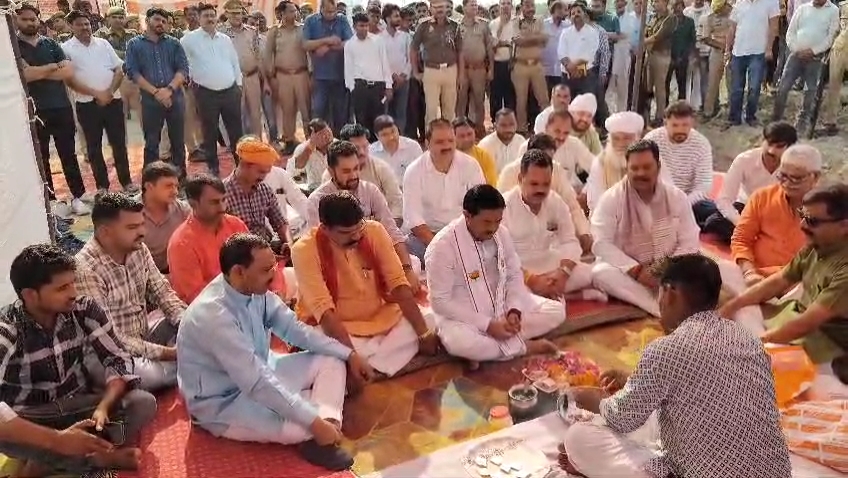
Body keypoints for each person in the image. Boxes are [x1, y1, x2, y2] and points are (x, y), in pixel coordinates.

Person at [561, 254, 792, 478]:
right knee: (656, 418)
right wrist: (633, 381)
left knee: (580, 436)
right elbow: (704, 388)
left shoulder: (666, 349)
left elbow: (622, 418)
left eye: (659, 293)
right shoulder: (749, 339)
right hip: (775, 473)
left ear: (670, 293)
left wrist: (590, 398)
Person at [178, 233, 364, 471]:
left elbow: (296, 331)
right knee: (304, 425)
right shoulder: (213, 316)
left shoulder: (254, 291)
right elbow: (257, 382)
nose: (274, 275)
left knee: (334, 359)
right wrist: (314, 423)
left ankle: (324, 431)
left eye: (273, 267)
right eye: (266, 270)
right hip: (224, 403)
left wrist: (349, 354)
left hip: (264, 369)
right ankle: (318, 430)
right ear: (239, 272)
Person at [0, 244, 157, 475]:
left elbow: (117, 359)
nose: (73, 292)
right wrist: (58, 440)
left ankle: (45, 463)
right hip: (31, 416)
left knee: (142, 403)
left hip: (78, 404)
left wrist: (104, 407)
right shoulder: (7, 330)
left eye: (73, 283)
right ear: (30, 295)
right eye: (62, 287)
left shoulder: (84, 309)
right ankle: (96, 457)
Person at [590, 139, 758, 324]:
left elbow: (689, 239)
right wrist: (637, 271)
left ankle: (755, 329)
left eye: (646, 167)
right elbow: (601, 243)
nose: (641, 173)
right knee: (601, 273)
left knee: (731, 271)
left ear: (658, 167)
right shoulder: (611, 199)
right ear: (627, 169)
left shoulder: (676, 197)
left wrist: (668, 269)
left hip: (675, 267)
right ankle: (665, 312)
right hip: (633, 272)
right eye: (634, 168)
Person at [292, 192, 439, 381]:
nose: (356, 236)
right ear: (325, 228)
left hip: (381, 316)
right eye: (346, 233)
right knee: (319, 342)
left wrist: (423, 334)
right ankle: (371, 360)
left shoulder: (374, 231)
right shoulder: (304, 250)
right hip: (338, 326)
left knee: (432, 320)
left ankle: (369, 362)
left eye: (358, 228)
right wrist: (351, 355)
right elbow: (324, 311)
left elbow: (398, 284)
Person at [426, 185, 561, 364]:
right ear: (467, 216)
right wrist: (488, 325)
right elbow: (440, 302)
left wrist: (514, 310)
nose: (493, 228)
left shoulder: (501, 233)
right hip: (464, 314)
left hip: (500, 304)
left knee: (556, 311)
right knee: (460, 343)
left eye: (498, 221)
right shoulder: (442, 248)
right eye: (487, 222)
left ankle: (491, 349)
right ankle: (524, 347)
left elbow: (514, 274)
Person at [722, 183, 848, 368]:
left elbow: (806, 324)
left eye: (812, 221)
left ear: (844, 226)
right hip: (794, 315)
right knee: (724, 275)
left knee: (747, 363)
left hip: (826, 343)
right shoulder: (817, 244)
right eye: (802, 215)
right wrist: (732, 306)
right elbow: (780, 280)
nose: (802, 225)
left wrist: (752, 345)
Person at [75, 193, 185, 392]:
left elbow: (163, 292)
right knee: (149, 377)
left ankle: (183, 363)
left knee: (192, 322)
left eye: (142, 224)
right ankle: (187, 365)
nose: (142, 232)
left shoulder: (138, 248)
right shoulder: (86, 269)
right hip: (107, 356)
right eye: (132, 227)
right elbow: (112, 338)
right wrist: (171, 353)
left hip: (143, 337)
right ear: (106, 232)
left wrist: (186, 323)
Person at [307, 140, 421, 287]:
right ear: (331, 171)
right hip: (339, 265)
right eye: (346, 171)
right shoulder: (317, 201)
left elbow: (392, 232)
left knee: (414, 264)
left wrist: (407, 269)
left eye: (356, 168)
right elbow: (320, 247)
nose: (354, 175)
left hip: (374, 258)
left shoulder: (370, 191)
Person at [503, 150, 607, 302]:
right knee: (513, 293)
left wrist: (563, 272)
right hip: (520, 272)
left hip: (550, 266)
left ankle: (550, 295)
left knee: (594, 273)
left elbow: (569, 241)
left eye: (546, 184)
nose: (540, 190)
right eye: (534, 184)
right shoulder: (504, 206)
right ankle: (572, 296)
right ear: (520, 179)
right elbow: (501, 255)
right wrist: (532, 280)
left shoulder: (555, 201)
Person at [17, 3, 90, 216]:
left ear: (39, 20)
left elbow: (68, 72)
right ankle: (50, 201)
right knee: (41, 158)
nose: (30, 23)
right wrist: (51, 67)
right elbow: (25, 76)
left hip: (61, 107)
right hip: (34, 112)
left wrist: (37, 71)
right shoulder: (13, 46)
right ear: (16, 21)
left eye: (33, 19)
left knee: (68, 154)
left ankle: (78, 196)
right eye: (25, 19)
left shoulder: (50, 44)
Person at [62, 10, 136, 195]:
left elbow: (119, 69)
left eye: (87, 24)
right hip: (87, 104)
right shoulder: (65, 48)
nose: (85, 27)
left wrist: (109, 92)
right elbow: (69, 80)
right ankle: (102, 186)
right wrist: (96, 94)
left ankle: (126, 182)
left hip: (113, 100)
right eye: (79, 24)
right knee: (94, 147)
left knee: (119, 143)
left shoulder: (103, 44)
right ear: (70, 26)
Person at [730, 144, 822, 284]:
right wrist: (749, 272)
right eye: (783, 176)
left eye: (796, 178)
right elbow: (741, 239)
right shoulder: (762, 197)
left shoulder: (829, 211)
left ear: (815, 177)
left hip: (799, 284)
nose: (787, 183)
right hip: (754, 277)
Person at [402, 119, 486, 260]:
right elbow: (414, 219)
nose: (447, 146)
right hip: (427, 236)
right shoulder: (414, 171)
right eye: (440, 142)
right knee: (407, 250)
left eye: (450, 141)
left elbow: (481, 206)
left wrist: (464, 242)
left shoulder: (470, 165)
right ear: (427, 144)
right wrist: (440, 247)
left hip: (464, 234)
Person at [500, 132, 593, 256]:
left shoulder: (556, 170)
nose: (546, 162)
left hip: (551, 242)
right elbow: (502, 212)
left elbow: (572, 205)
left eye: (550, 158)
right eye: (534, 183)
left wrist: (584, 232)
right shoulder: (510, 173)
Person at [706, 121, 797, 243]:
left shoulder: (795, 166)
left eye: (779, 146)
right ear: (762, 140)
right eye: (769, 143)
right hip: (745, 208)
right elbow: (724, 199)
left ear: (790, 148)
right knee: (714, 222)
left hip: (774, 215)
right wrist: (742, 224)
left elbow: (798, 203)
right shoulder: (745, 160)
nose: (771, 150)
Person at [181, 2, 244, 176]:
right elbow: (183, 63)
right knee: (209, 132)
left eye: (212, 15)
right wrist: (191, 79)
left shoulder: (225, 39)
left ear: (216, 17)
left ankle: (241, 165)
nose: (210, 18)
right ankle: (213, 168)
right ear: (199, 18)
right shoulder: (188, 40)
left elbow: (234, 62)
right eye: (206, 16)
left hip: (230, 91)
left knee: (236, 131)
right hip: (205, 92)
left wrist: (238, 84)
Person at [124, 7, 189, 174]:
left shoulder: (174, 43)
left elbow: (183, 69)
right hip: (149, 100)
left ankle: (180, 178)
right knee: (152, 143)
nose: (161, 23)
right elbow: (132, 72)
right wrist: (156, 92)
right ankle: (151, 179)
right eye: (157, 20)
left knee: (178, 141)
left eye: (164, 21)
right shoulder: (134, 44)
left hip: (175, 98)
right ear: (147, 21)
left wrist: (168, 90)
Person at [642, 101, 714, 230]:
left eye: (685, 125)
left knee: (713, 212)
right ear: (665, 123)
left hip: (688, 202)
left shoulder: (702, 144)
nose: (680, 130)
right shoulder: (652, 140)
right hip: (656, 199)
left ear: (692, 123)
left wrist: (682, 204)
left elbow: (703, 186)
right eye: (675, 125)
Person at [771, 0, 839, 132]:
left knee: (810, 91)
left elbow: (831, 37)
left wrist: (813, 51)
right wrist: (796, 49)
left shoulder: (833, 11)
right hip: (795, 55)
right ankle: (776, 119)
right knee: (783, 87)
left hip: (815, 58)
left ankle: (802, 122)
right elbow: (790, 32)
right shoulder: (802, 9)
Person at [224, 138, 291, 250]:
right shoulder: (222, 194)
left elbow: (280, 223)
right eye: (260, 172)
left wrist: (289, 243)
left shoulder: (264, 190)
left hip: (265, 246)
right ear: (244, 164)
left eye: (266, 173)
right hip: (239, 252)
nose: (263, 177)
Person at [327, 123, 403, 220]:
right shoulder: (332, 174)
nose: (362, 152)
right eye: (357, 148)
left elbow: (396, 203)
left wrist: (387, 226)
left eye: (365, 146)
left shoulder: (381, 168)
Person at [265, 0, 311, 153]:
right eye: (291, 11)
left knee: (306, 109)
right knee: (287, 110)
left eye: (295, 11)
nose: (295, 13)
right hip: (282, 76)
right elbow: (268, 55)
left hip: (302, 74)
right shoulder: (274, 32)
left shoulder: (303, 29)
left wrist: (311, 74)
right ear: (282, 13)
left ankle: (310, 140)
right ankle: (289, 141)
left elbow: (309, 53)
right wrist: (271, 77)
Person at [725, 0, 780, 127]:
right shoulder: (739, 4)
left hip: (758, 52)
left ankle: (750, 116)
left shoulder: (770, 3)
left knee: (754, 88)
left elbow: (774, 27)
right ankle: (734, 117)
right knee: (736, 88)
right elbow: (732, 28)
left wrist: (769, 48)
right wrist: (727, 50)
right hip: (738, 52)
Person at [303, 0, 353, 134]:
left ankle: (339, 141)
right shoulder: (311, 21)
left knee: (340, 114)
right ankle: (318, 140)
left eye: (334, 11)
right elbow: (305, 44)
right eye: (328, 12)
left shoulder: (342, 20)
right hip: (319, 76)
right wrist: (327, 41)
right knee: (319, 112)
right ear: (321, 9)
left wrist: (329, 47)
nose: (332, 14)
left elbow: (350, 42)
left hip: (340, 75)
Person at [410, 0, 463, 123]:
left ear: (446, 8)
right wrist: (416, 72)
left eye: (442, 7)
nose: (439, 10)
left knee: (449, 109)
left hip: (450, 70)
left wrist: (461, 74)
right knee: (431, 110)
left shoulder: (455, 26)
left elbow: (460, 51)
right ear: (431, 8)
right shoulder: (423, 26)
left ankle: (449, 134)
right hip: (431, 70)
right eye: (436, 7)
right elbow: (413, 49)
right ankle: (431, 134)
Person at [585, 111, 644, 211]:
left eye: (626, 138)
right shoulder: (600, 162)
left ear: (637, 139)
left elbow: (663, 195)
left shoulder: (650, 159)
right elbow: (595, 201)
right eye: (616, 138)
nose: (621, 143)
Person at [345, 12, 393, 136]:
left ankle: (380, 145)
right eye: (361, 26)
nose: (364, 29)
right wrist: (352, 88)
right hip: (360, 86)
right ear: (354, 26)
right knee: (362, 121)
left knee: (379, 121)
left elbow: (385, 63)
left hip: (378, 87)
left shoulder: (378, 41)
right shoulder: (349, 44)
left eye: (366, 25)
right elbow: (348, 69)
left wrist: (388, 86)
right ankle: (366, 146)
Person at [139, 162, 191, 274]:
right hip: (139, 273)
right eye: (168, 186)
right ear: (149, 187)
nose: (175, 192)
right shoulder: (129, 213)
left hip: (172, 271)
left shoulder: (183, 210)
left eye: (176, 186)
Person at [380, 4, 413, 133]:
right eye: (396, 16)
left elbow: (410, 59)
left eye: (399, 16)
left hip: (404, 81)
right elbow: (381, 60)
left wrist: (403, 76)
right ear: (387, 19)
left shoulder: (405, 37)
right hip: (386, 81)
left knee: (401, 113)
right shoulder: (379, 38)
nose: (399, 19)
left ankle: (401, 138)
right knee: (386, 113)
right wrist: (393, 76)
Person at [370, 114, 424, 182]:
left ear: (398, 130)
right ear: (377, 136)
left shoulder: (413, 147)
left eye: (393, 131)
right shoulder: (371, 152)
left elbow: (422, 173)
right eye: (385, 135)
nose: (391, 137)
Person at [288, 119, 334, 190]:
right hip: (314, 188)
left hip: (335, 186)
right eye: (321, 134)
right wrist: (309, 148)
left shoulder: (337, 145)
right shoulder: (303, 148)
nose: (327, 137)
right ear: (312, 137)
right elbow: (296, 168)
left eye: (328, 132)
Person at [453, 117, 499, 185]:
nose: (466, 139)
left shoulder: (483, 156)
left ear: (475, 133)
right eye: (462, 136)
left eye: (469, 134)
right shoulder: (447, 157)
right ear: (453, 136)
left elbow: (491, 184)